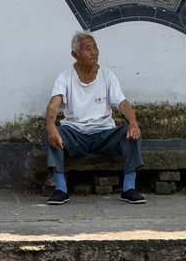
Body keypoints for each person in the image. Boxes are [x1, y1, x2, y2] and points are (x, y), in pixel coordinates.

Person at [44, 32, 145, 205]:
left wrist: (133, 123)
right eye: (87, 49)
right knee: (50, 134)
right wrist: (51, 126)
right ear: (75, 55)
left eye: (95, 47)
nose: (94, 52)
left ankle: (129, 188)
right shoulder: (65, 77)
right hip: (75, 134)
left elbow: (122, 103)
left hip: (104, 134)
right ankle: (61, 189)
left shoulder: (107, 76)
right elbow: (53, 105)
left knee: (132, 134)